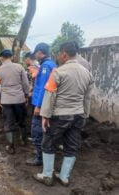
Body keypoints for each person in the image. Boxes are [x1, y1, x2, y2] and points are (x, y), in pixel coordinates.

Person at [33, 41, 94, 186]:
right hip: (78, 115)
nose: (58, 57)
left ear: (64, 54)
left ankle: (47, 175)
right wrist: (85, 115)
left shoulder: (58, 72)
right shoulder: (87, 73)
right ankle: (64, 176)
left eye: (59, 54)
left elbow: (50, 95)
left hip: (60, 116)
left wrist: (45, 116)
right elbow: (87, 98)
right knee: (71, 145)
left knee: (48, 143)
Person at [0, 49, 29, 154]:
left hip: (6, 101)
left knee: (8, 123)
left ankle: (11, 146)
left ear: (1, 58)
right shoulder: (19, 67)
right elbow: (25, 84)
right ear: (12, 57)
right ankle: (23, 140)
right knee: (22, 121)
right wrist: (26, 95)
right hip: (19, 99)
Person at [26, 43, 56, 166]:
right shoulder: (52, 64)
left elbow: (44, 88)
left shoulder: (45, 66)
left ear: (39, 52)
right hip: (47, 104)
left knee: (36, 131)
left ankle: (40, 158)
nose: (35, 56)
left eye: (36, 53)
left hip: (42, 105)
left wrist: (38, 106)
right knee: (45, 131)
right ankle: (44, 156)